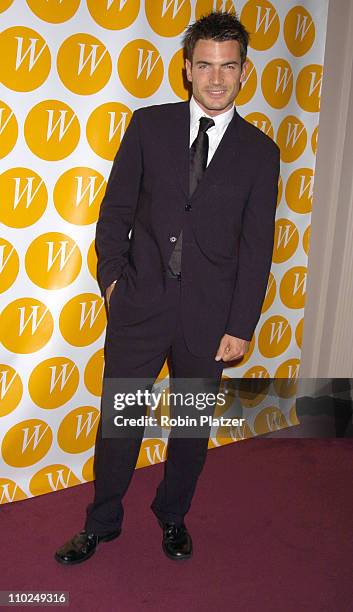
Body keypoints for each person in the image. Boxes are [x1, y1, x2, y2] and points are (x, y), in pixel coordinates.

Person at [55, 11, 280, 565]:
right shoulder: (148, 126)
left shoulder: (260, 152)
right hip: (140, 305)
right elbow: (116, 213)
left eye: (229, 67)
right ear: (186, 69)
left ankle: (172, 515)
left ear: (245, 72)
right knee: (120, 424)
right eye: (205, 65)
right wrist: (112, 284)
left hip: (211, 317)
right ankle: (102, 522)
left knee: (189, 431)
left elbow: (257, 248)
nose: (216, 78)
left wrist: (241, 325)